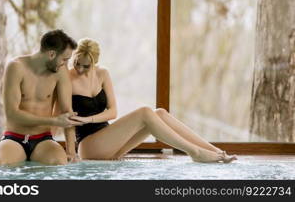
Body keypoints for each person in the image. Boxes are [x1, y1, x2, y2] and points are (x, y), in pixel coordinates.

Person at [69, 38, 237, 163]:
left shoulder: (102, 74)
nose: (80, 69)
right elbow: (61, 118)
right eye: (78, 64)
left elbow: (113, 112)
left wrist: (88, 118)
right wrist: (69, 150)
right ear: (74, 57)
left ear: (95, 62)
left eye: (86, 66)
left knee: (160, 113)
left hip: (111, 145)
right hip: (89, 146)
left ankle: (218, 152)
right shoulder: (67, 79)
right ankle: (195, 152)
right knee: (145, 113)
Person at [0, 29, 82, 166]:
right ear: (51, 54)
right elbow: (12, 114)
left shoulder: (60, 72)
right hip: (14, 138)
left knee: (59, 163)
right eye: (64, 59)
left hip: (43, 140)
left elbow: (67, 112)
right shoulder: (16, 67)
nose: (66, 64)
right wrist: (55, 121)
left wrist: (71, 152)